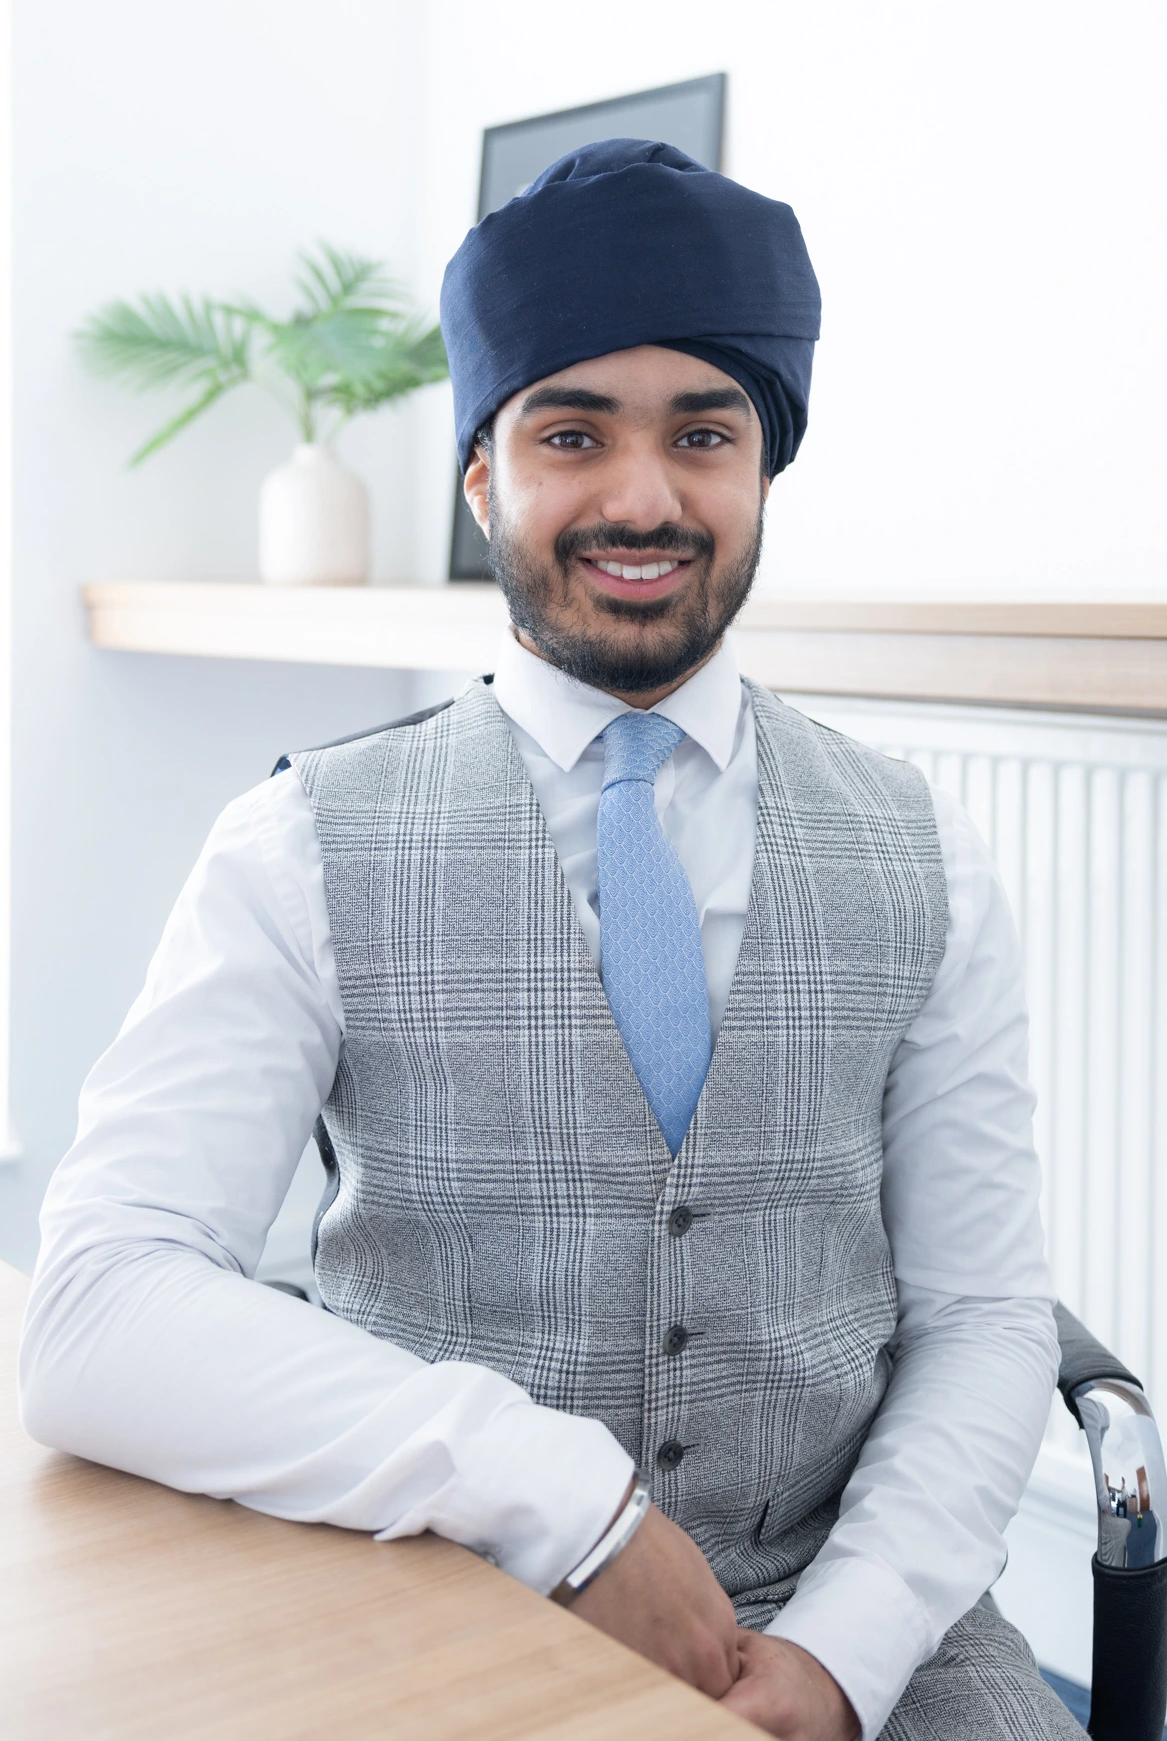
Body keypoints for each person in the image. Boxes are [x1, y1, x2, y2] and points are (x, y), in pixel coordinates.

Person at [20, 142, 1083, 1740]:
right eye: (570, 432)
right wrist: (550, 1497)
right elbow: (96, 1305)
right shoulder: (299, 844)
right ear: (481, 476)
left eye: (702, 434)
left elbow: (984, 1312)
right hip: (428, 1600)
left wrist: (843, 1652)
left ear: (764, 470)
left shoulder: (923, 850)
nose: (641, 498)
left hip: (872, 1627)